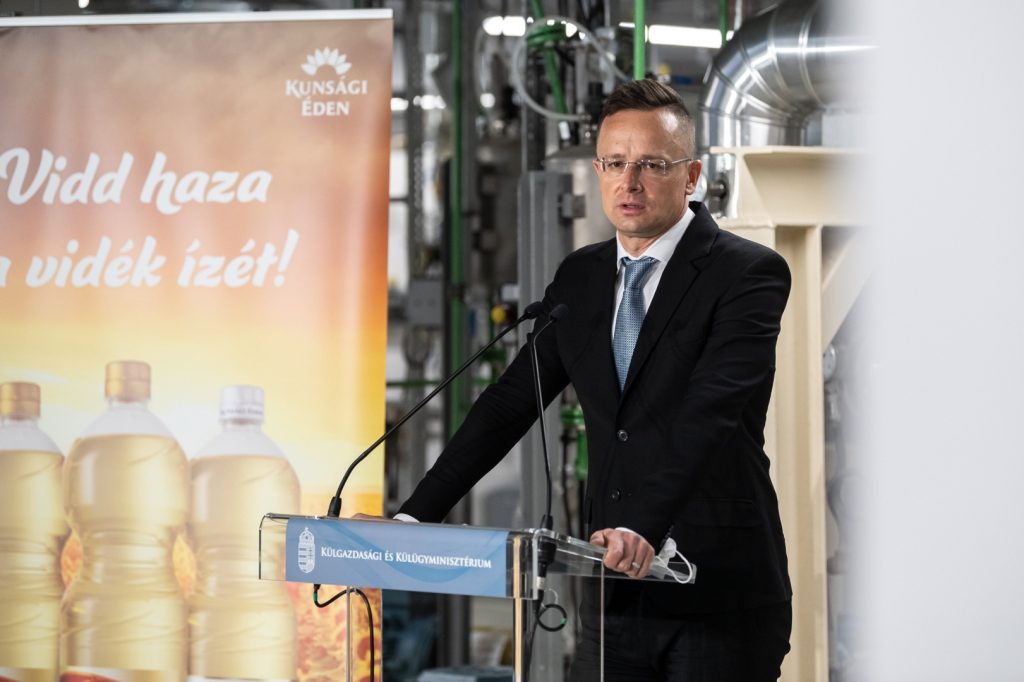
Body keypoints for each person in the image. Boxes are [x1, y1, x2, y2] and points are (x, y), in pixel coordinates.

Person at [395, 79, 792, 681]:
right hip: (613, 597)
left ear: (691, 176)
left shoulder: (747, 273)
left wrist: (642, 526)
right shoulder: (581, 277)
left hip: (718, 596)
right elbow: (511, 402)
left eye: (652, 164)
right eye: (614, 163)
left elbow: (709, 412)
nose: (629, 182)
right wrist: (414, 518)